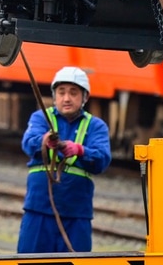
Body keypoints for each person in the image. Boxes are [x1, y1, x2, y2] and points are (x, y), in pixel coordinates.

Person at [17, 66, 111, 253]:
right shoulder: (41, 117)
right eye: (62, 92)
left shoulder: (96, 126)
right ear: (54, 96)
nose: (67, 98)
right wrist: (44, 141)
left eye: (73, 93)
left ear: (85, 97)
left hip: (76, 213)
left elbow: (102, 158)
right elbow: (28, 143)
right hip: (39, 208)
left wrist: (80, 150)